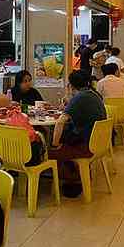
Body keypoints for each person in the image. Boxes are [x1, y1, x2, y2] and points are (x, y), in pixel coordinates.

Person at [50, 70, 107, 198]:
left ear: (71, 85)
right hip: (98, 143)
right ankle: (75, 175)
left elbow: (60, 122)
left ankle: (69, 179)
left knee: (50, 152)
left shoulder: (80, 97)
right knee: (63, 141)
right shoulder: (94, 94)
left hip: (85, 146)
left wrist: (55, 145)